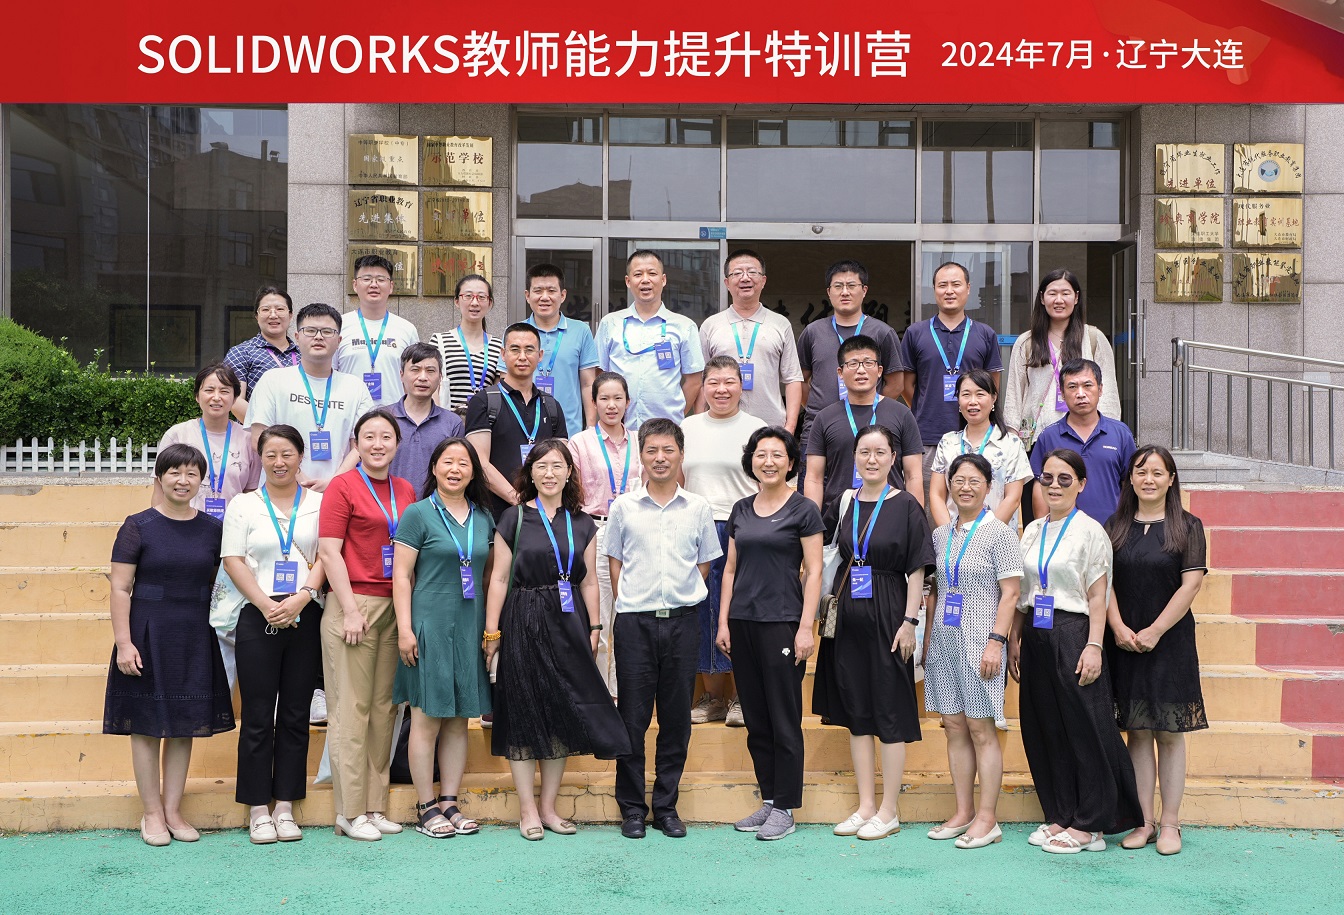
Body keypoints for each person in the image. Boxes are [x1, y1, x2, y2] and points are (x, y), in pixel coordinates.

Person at [482, 440, 630, 840]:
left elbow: (590, 581)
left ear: (569, 473)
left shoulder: (583, 523)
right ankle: (527, 810)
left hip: (569, 623)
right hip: (522, 617)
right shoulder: (513, 518)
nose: (549, 473)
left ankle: (548, 807)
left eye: (557, 466)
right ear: (530, 473)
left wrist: (595, 628)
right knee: (523, 711)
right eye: (542, 466)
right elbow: (499, 579)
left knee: (561, 712)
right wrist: (492, 631)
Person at [1009, 448, 1142, 854]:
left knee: (1085, 727)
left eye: (1064, 479)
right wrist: (1014, 639)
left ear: (1081, 484)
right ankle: (1063, 813)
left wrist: (1094, 646)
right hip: (1036, 632)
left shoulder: (1090, 531)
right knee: (1046, 727)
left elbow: (1098, 596)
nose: (1054, 486)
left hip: (1073, 631)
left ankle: (1092, 824)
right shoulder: (1032, 531)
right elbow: (1023, 592)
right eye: (1047, 478)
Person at [103, 443, 234, 846]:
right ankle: (152, 813)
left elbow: (217, 581)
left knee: (183, 727)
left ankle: (173, 811)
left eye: (192, 473)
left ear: (201, 480)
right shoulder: (138, 525)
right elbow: (120, 587)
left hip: (194, 634)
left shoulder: (213, 529)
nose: (183, 480)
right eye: (175, 472)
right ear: (160, 478)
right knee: (145, 728)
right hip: (146, 634)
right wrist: (124, 643)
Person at [812, 426, 933, 843]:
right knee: (857, 714)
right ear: (855, 457)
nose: (872, 459)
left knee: (890, 711)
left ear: (894, 458)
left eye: (880, 452)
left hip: (890, 613)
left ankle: (889, 810)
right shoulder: (845, 501)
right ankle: (865, 805)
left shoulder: (907, 505)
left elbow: (917, 568)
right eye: (864, 452)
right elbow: (827, 552)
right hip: (848, 617)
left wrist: (910, 621)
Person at [602, 418, 722, 839]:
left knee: (676, 720)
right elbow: (614, 562)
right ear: (641, 455)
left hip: (683, 623)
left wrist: (680, 595)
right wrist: (634, 601)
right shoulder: (623, 508)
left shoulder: (698, 508)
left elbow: (704, 564)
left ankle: (666, 807)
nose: (660, 458)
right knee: (632, 719)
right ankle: (632, 809)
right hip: (635, 624)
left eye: (668, 450)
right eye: (651, 450)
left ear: (681, 455)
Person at [219, 425, 326, 845]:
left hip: (306, 614)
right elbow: (232, 559)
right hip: (256, 613)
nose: (279, 462)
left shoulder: (319, 503)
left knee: (296, 713)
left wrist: (303, 596)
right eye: (270, 455)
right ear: (260, 459)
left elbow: (327, 554)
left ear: (301, 457)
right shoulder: (244, 504)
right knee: (258, 714)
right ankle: (257, 808)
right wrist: (266, 604)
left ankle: (285, 805)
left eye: (287, 454)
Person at [717, 427, 825, 841]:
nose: (768, 462)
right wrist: (723, 622)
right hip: (742, 623)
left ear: (791, 462)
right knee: (757, 720)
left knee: (783, 719)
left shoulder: (804, 509)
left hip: (782, 622)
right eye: (761, 454)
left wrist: (805, 627)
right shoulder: (741, 509)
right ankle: (768, 799)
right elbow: (730, 570)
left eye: (777, 455)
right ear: (751, 462)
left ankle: (786, 807)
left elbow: (814, 571)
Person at [316, 408, 418, 842]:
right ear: (356, 444)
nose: (378, 444)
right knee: (350, 710)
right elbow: (328, 551)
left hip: (395, 604)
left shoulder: (405, 488)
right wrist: (350, 609)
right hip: (353, 605)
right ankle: (349, 811)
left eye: (386, 437)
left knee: (383, 710)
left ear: (397, 444)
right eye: (369, 437)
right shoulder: (342, 486)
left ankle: (375, 807)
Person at [1104, 445, 1208, 856]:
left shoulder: (1188, 526)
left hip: (1169, 643)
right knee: (1138, 731)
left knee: (1168, 732)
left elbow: (1191, 585)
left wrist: (1155, 631)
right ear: (1130, 478)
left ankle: (1170, 824)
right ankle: (1143, 821)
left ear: (1171, 479)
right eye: (1141, 472)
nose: (1148, 479)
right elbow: (1103, 582)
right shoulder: (1115, 525)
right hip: (1125, 640)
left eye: (1157, 473)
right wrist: (1117, 626)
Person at [392, 437, 495, 839]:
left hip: (469, 626)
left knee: (458, 719)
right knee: (427, 718)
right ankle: (425, 806)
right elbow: (402, 576)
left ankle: (450, 801)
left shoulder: (483, 517)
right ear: (434, 467)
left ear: (473, 472)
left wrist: (490, 631)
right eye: (447, 461)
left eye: (463, 463)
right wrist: (405, 629)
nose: (455, 469)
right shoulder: (417, 513)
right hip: (429, 625)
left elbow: (489, 576)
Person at [923, 453, 1023, 849]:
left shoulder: (1000, 533)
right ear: (949, 485)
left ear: (988, 487)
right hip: (945, 643)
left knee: (982, 729)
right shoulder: (941, 535)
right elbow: (937, 590)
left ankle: (987, 818)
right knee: (954, 726)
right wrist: (929, 642)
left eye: (974, 481)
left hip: (982, 643)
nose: (965, 487)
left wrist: (997, 642)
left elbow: (1011, 593)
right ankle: (963, 811)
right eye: (958, 480)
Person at [682, 357, 768, 727]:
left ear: (741, 385)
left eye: (729, 381)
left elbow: (769, 479)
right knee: (701, 611)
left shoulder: (757, 428)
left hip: (742, 527)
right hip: (696, 528)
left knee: (739, 612)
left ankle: (741, 697)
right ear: (702, 387)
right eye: (713, 382)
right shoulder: (687, 427)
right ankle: (712, 698)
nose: (721, 389)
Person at [1003, 269, 1121, 524]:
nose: (1059, 300)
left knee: (1087, 512)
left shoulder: (1093, 338)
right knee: (1042, 518)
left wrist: (1106, 432)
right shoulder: (1026, 342)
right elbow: (1014, 394)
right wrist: (1013, 441)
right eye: (1052, 293)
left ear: (1076, 298)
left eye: (1065, 293)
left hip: (1085, 440)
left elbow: (1108, 390)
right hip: (1039, 442)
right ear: (1042, 298)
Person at [897, 262, 1003, 500]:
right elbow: (906, 385)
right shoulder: (916, 333)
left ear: (968, 288)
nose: (949, 290)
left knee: (972, 502)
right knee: (926, 505)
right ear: (934, 289)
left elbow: (992, 385)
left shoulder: (985, 334)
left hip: (974, 437)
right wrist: (928, 406)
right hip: (927, 437)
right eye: (942, 285)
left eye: (956, 284)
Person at [568, 372, 645, 695]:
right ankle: (600, 694)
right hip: (596, 531)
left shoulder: (641, 441)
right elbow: (571, 493)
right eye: (604, 399)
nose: (611, 405)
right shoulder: (580, 442)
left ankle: (623, 691)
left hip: (636, 534)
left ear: (628, 402)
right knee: (597, 616)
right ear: (594, 402)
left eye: (618, 398)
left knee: (628, 616)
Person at [247, 302, 376, 494]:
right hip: (281, 492)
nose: (318, 337)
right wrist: (298, 476)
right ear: (297, 337)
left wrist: (335, 482)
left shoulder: (355, 387)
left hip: (337, 493)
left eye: (327, 331)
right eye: (310, 331)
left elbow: (360, 444)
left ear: (339, 340)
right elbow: (259, 437)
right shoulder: (272, 380)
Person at [805, 335, 924, 536]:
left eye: (868, 363)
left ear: (880, 371)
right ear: (840, 372)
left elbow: (913, 475)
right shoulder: (824, 418)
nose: (861, 370)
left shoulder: (902, 414)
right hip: (840, 517)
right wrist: (812, 526)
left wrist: (914, 524)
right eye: (852, 363)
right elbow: (814, 478)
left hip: (892, 515)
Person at [796, 260, 905, 467]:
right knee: (814, 483)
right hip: (820, 428)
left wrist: (871, 407)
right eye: (838, 286)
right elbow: (799, 379)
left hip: (870, 428)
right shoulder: (813, 332)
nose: (844, 292)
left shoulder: (882, 332)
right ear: (829, 292)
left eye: (851, 285)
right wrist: (821, 408)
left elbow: (896, 383)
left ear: (864, 290)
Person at [465, 323, 568, 521]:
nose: (522, 356)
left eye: (529, 350)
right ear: (503, 354)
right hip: (494, 515)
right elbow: (479, 463)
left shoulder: (551, 406)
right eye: (515, 349)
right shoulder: (484, 402)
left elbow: (561, 464)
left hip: (544, 515)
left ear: (540, 355)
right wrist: (520, 501)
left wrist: (539, 505)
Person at [594, 250, 705, 426]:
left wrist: (673, 417)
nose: (645, 280)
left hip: (666, 430)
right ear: (628, 281)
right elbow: (599, 375)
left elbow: (694, 381)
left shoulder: (684, 326)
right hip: (620, 428)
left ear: (663, 279)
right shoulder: (610, 323)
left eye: (652, 273)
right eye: (638, 274)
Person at [698, 249, 803, 429]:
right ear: (727, 282)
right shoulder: (711, 325)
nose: (745, 278)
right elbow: (701, 381)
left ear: (763, 281)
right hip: (720, 425)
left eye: (752, 272)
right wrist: (700, 424)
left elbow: (792, 378)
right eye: (737, 273)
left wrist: (790, 427)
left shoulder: (780, 324)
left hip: (770, 426)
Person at [1030, 359, 1135, 523]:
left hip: (1112, 531)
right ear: (1062, 393)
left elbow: (1130, 484)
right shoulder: (1048, 437)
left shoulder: (1121, 434)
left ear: (1100, 389)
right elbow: (1040, 485)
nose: (1080, 394)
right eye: (1072, 387)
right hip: (1062, 532)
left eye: (1087, 385)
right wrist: (1043, 528)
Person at [927, 370, 1033, 530]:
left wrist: (982, 537)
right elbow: (936, 495)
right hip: (953, 538)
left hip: (996, 537)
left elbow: (1013, 498)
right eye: (966, 395)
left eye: (980, 394)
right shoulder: (947, 442)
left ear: (993, 398)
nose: (972, 401)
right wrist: (950, 535)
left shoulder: (1011, 444)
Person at [155, 363, 259, 521]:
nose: (216, 397)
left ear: (234, 398)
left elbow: (251, 494)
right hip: (184, 526)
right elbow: (159, 491)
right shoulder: (177, 434)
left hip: (233, 526)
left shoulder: (248, 439)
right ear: (197, 396)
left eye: (224, 391)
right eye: (209, 390)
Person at [521, 262, 600, 436]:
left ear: (562, 295)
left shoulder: (581, 331)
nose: (544, 297)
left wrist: (590, 428)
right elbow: (505, 381)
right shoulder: (516, 332)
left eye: (551, 290)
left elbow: (588, 384)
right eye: (538, 291)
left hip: (569, 431)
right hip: (523, 429)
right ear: (527, 295)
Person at [336, 254, 420, 407]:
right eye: (367, 279)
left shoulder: (407, 329)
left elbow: (414, 376)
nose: (374, 285)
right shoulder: (339, 326)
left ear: (391, 286)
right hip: (350, 413)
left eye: (381, 279)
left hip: (395, 416)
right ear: (355, 285)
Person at [387, 342, 466, 489]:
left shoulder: (452, 423)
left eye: (430, 371)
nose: (423, 377)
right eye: (415, 370)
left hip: (435, 503)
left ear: (440, 377)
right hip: (387, 502)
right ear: (401, 375)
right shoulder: (383, 418)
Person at [427, 274, 503, 416]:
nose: (475, 302)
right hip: (448, 423)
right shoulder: (439, 341)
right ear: (457, 301)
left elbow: (499, 392)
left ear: (490, 303)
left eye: (481, 297)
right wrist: (439, 422)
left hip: (484, 423)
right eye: (468, 296)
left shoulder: (498, 346)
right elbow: (432, 388)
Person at [224, 285, 301, 423]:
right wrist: (271, 430)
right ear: (256, 316)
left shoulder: (303, 355)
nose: (273, 315)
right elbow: (235, 400)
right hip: (259, 432)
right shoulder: (241, 352)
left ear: (290, 315)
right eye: (265, 309)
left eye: (280, 309)